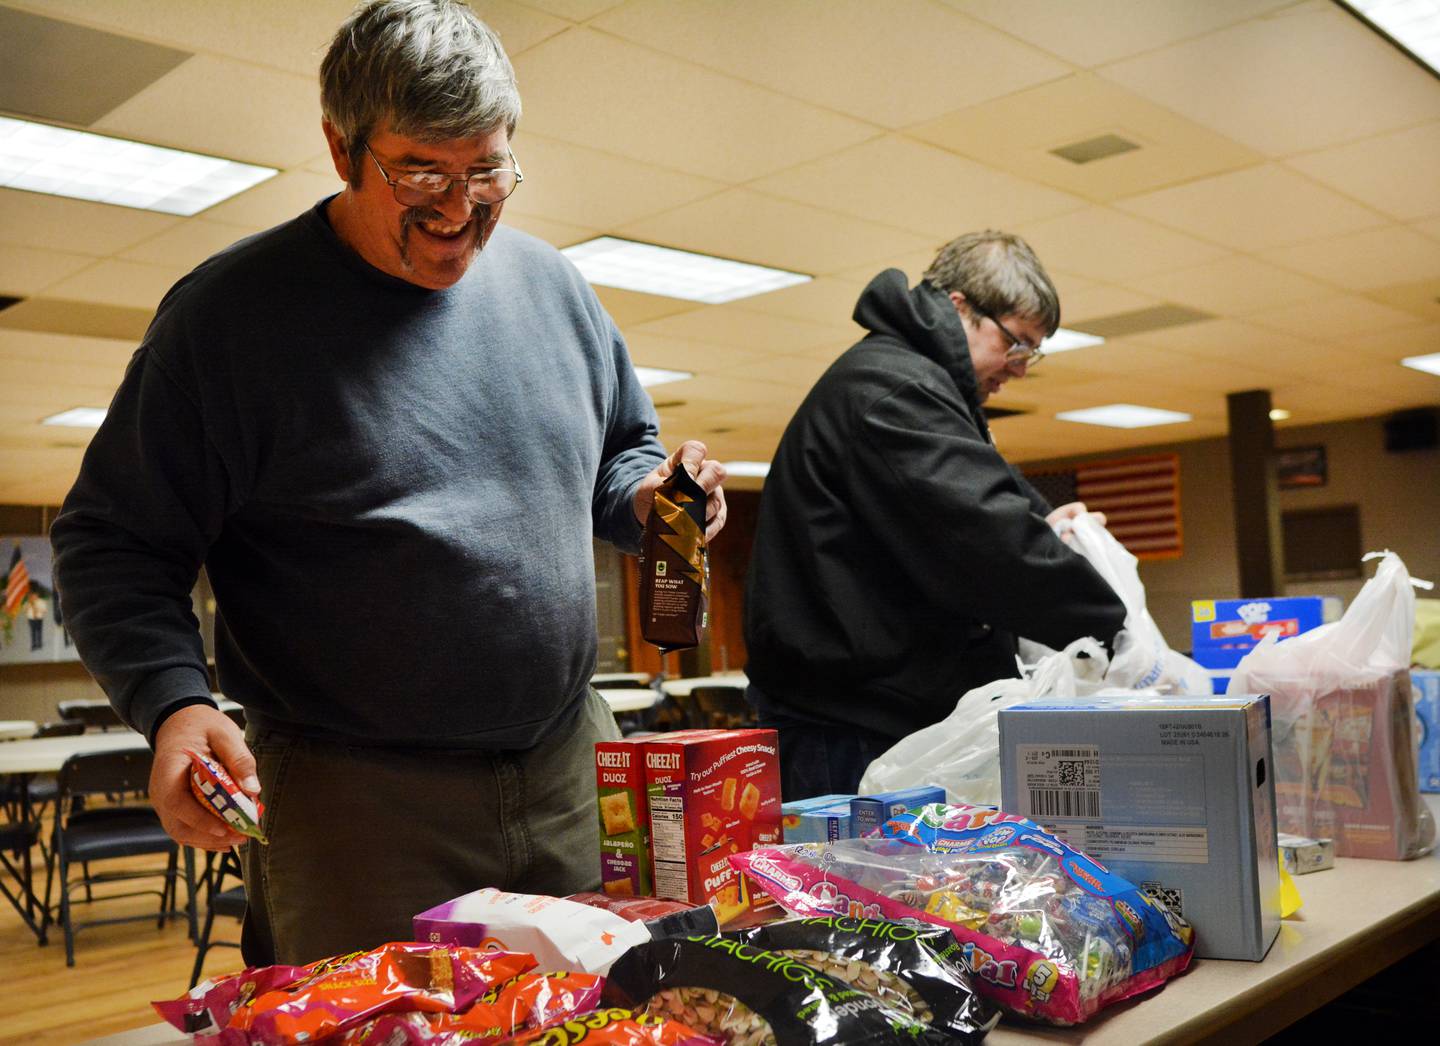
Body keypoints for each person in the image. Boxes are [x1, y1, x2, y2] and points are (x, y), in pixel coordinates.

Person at [50, 0, 726, 965]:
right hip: (354, 799)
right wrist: (174, 703)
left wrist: (656, 498)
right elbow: (114, 542)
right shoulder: (229, 322)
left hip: (568, 762)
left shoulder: (555, 290)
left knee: (596, 1014)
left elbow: (618, 454)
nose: (459, 211)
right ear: (339, 147)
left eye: (486, 170)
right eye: (420, 173)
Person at [742, 230, 1126, 800]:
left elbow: (987, 489)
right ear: (959, 308)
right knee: (861, 888)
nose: (1021, 368)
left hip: (874, 716)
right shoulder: (894, 389)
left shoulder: (911, 382)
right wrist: (1111, 624)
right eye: (1017, 344)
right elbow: (987, 539)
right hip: (853, 730)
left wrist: (1048, 521)